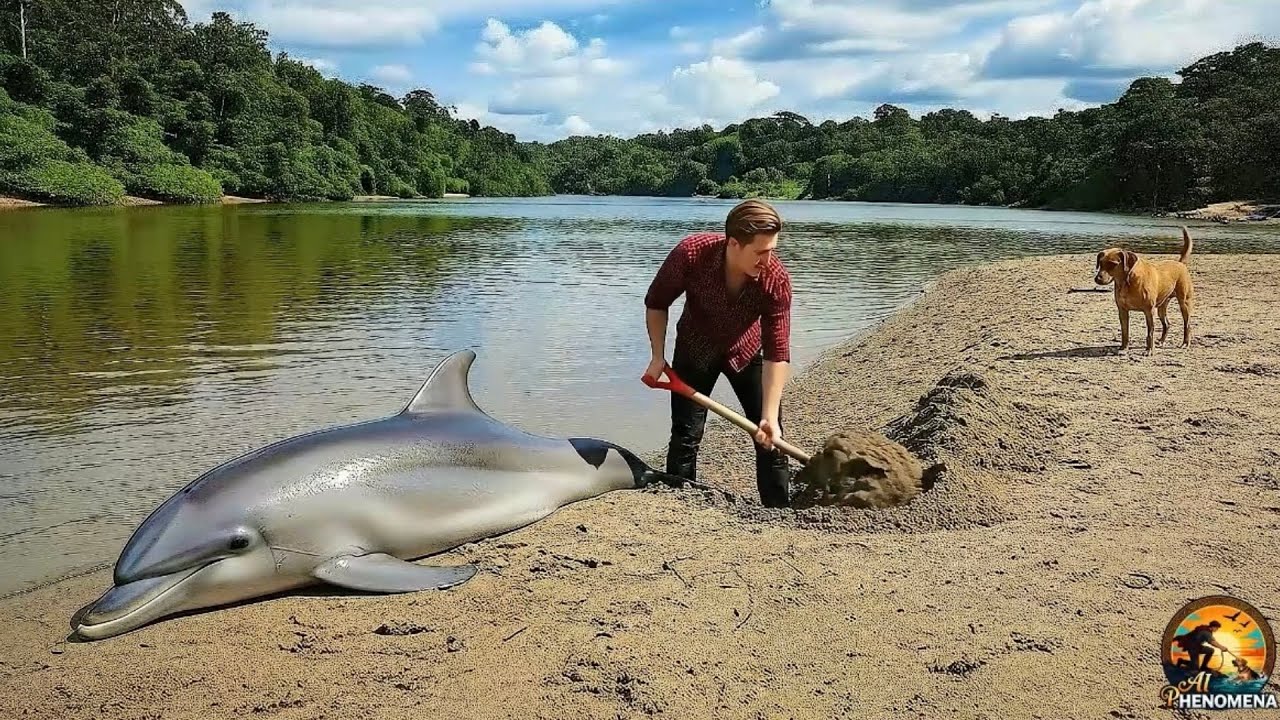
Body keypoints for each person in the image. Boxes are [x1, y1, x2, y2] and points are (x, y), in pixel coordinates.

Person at [642, 199, 793, 507]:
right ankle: (680, 505)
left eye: (772, 250)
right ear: (734, 244)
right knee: (685, 435)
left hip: (745, 351)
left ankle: (779, 510)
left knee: (771, 439)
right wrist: (658, 356)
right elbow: (656, 302)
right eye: (761, 252)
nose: (768, 259)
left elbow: (777, 352)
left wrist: (769, 416)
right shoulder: (692, 253)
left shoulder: (775, 279)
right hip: (694, 349)